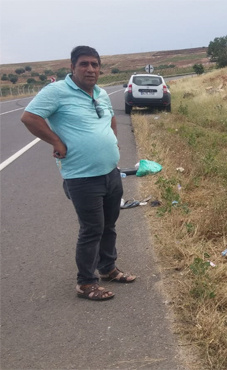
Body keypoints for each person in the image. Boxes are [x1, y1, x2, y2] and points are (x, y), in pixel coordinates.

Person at [21, 46, 136, 301]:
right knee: (92, 229)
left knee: (109, 225)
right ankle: (85, 283)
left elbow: (110, 120)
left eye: (95, 64)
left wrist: (111, 143)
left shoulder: (101, 93)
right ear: (72, 67)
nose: (90, 69)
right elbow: (29, 117)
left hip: (110, 172)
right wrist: (56, 142)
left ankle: (107, 268)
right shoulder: (57, 91)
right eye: (84, 64)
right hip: (82, 177)